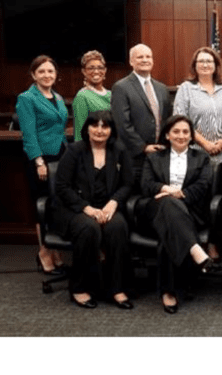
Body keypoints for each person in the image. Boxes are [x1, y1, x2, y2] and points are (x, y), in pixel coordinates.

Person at [51, 110, 134, 309]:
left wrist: (113, 203)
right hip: (75, 208)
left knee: (117, 228)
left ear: (111, 130)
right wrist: (87, 209)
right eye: (94, 125)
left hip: (107, 206)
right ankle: (79, 288)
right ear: (86, 128)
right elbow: (62, 187)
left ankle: (117, 288)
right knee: (89, 229)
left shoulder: (120, 150)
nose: (99, 130)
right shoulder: (74, 150)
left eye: (105, 126)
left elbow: (128, 184)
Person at [140, 115, 214, 314]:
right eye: (176, 131)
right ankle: (195, 249)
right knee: (167, 204)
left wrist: (180, 194)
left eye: (185, 132)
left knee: (169, 235)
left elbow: (203, 185)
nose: (181, 135)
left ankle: (168, 292)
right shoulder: (154, 157)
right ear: (167, 134)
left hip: (190, 210)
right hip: (156, 209)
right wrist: (167, 189)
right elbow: (146, 185)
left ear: (191, 136)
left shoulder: (202, 158)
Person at [173, 46, 222, 260]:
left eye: (209, 61)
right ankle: (195, 243)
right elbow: (180, 120)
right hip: (197, 155)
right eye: (201, 61)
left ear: (216, 65)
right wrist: (205, 143)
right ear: (194, 65)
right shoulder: (186, 88)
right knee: (200, 201)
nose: (205, 65)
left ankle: (215, 242)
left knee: (221, 203)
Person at [15, 55, 69, 275]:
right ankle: (44, 252)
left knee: (58, 205)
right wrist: (38, 162)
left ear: (56, 75)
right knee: (43, 206)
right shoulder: (26, 98)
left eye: (51, 71)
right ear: (33, 75)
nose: (47, 75)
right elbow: (28, 135)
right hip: (42, 160)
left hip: (61, 156)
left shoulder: (56, 96)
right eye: (42, 72)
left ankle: (55, 249)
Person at [111, 43, 173, 185]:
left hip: (160, 153)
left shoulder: (162, 88)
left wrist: (164, 144)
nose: (145, 60)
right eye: (140, 57)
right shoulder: (121, 87)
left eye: (148, 56)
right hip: (134, 156)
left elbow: (167, 120)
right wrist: (143, 147)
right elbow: (122, 124)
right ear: (131, 61)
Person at [73, 50, 111, 142]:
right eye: (91, 68)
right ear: (84, 71)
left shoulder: (111, 94)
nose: (96, 71)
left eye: (100, 67)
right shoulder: (82, 96)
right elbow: (79, 132)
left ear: (105, 70)